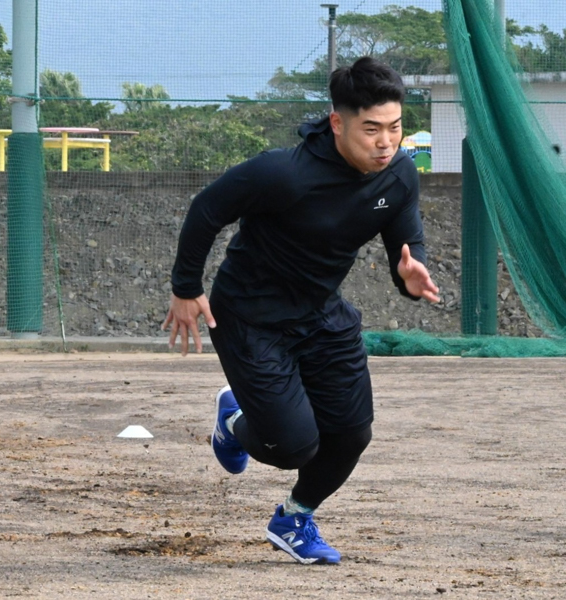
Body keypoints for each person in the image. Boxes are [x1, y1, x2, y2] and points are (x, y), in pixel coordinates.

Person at [162, 56, 440, 565]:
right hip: (250, 317)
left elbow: (406, 241)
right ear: (338, 123)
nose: (386, 143)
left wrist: (410, 273)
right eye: (371, 129)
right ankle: (235, 422)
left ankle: (294, 517)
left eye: (395, 128)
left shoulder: (399, 174)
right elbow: (208, 208)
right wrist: (186, 287)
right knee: (293, 447)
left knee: (351, 434)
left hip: (321, 313)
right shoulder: (283, 173)